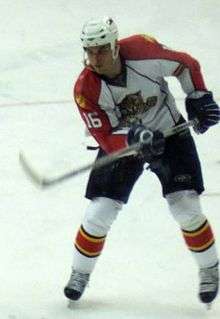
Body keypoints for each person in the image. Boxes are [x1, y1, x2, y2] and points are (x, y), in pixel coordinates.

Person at [64, 16, 220, 306]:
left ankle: (210, 268)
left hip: (170, 133)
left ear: (113, 46)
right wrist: (133, 139)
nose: (94, 58)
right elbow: (106, 137)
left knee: (186, 207)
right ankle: (79, 273)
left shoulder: (141, 50)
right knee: (98, 213)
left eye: (100, 49)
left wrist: (198, 96)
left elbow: (186, 64)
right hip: (125, 145)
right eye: (89, 50)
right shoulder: (85, 89)